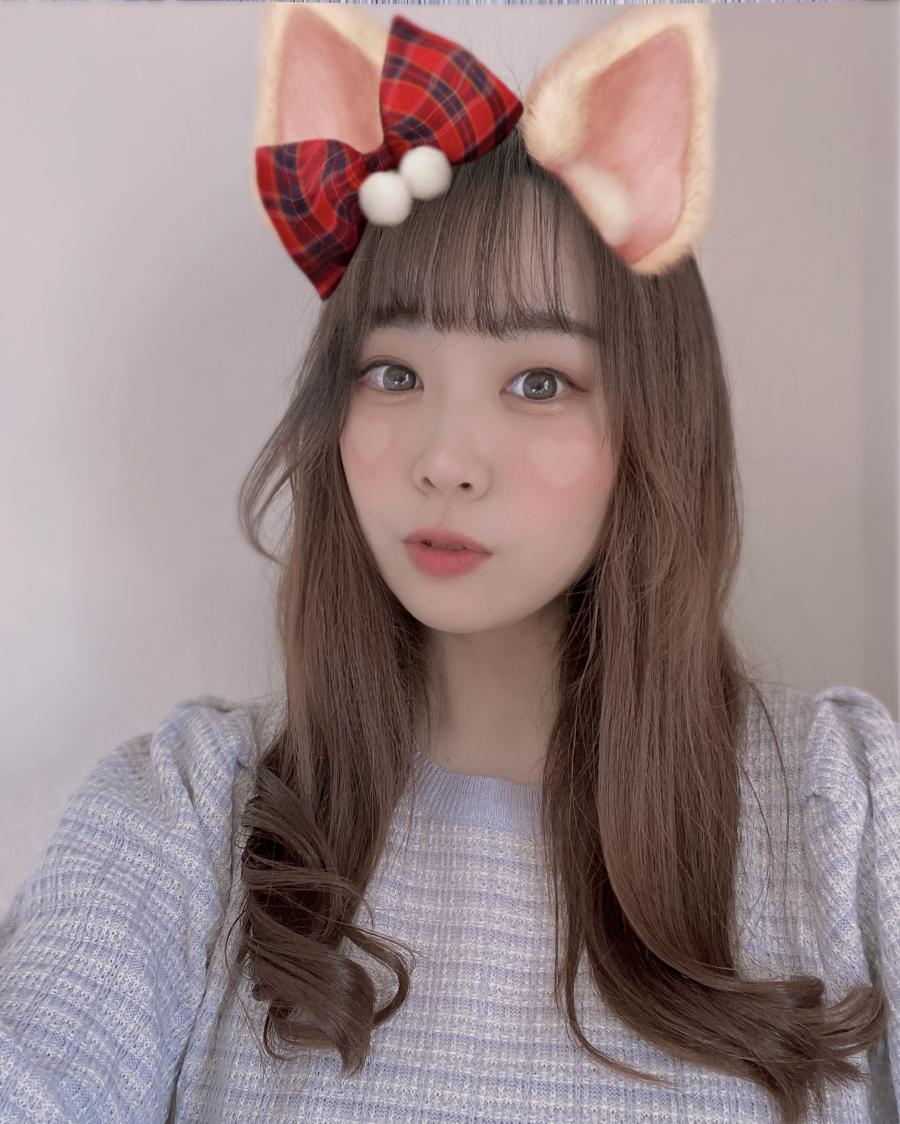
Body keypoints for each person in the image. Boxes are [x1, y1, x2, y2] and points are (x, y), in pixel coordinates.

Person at [1, 6, 898, 1123]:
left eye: (538, 382)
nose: (444, 460)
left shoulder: (847, 805)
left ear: (657, 424)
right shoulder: (188, 815)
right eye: (393, 374)